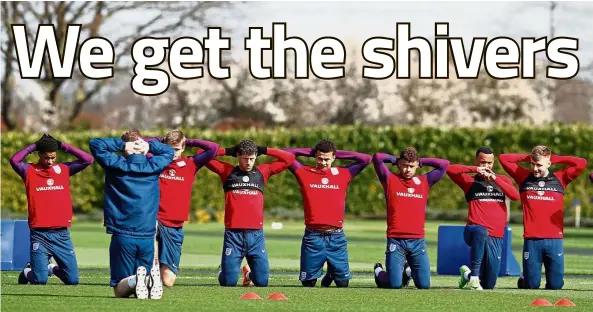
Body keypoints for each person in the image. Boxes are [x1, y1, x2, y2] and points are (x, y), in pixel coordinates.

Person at [89, 129, 174, 299]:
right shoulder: (153, 166)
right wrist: (149, 146)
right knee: (138, 291)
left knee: (119, 289)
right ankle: (147, 280)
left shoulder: (115, 164)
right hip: (147, 235)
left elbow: (95, 144)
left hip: (123, 234)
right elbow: (169, 151)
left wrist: (122, 145)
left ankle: (137, 280)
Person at [205, 139, 295, 287]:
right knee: (229, 283)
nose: (248, 162)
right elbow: (202, 154)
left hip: (256, 236)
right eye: (245, 158)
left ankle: (248, 274)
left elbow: (289, 158)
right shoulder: (227, 172)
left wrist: (264, 149)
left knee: (262, 282)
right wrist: (228, 150)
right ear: (238, 156)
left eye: (252, 158)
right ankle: (224, 271)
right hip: (233, 235)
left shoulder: (262, 172)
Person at [281, 140, 371, 288]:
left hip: (336, 237)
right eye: (319, 158)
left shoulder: (344, 173)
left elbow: (366, 159)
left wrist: (335, 153)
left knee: (343, 284)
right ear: (315, 157)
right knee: (308, 283)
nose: (323, 162)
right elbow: (286, 153)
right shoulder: (304, 172)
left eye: (327, 159)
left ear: (334, 158)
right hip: (313, 237)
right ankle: (330, 269)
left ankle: (332, 272)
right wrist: (311, 152)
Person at [499, 146, 587, 290]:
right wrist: (530, 157)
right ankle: (525, 278)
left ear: (549, 163)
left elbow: (581, 163)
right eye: (532, 164)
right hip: (532, 240)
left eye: (539, 165)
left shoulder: (560, 178)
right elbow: (504, 159)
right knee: (531, 285)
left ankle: (549, 278)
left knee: (555, 286)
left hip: (555, 240)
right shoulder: (523, 177)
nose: (534, 168)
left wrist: (557, 158)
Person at [11, 134, 94, 286]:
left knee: (72, 280)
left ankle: (51, 268)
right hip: (39, 235)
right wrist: (34, 145)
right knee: (39, 280)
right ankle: (27, 271)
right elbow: (14, 160)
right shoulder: (29, 170)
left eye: (53, 157)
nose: (50, 161)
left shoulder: (63, 169)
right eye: (46, 157)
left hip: (62, 235)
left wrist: (63, 145)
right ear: (39, 155)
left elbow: (88, 159)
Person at [144, 130, 219, 287]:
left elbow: (213, 148)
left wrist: (190, 141)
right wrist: (161, 139)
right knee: (152, 262)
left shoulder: (191, 164)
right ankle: (150, 270)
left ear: (183, 148)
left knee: (168, 281)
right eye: (169, 148)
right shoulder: (155, 161)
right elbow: (143, 142)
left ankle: (154, 273)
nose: (173, 152)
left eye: (177, 149)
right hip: (153, 219)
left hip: (175, 225)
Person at [371, 147, 449, 289]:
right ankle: (379, 272)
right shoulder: (390, 179)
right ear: (399, 165)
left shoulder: (424, 181)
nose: (408, 170)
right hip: (396, 240)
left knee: (424, 285)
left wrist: (421, 161)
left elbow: (444, 164)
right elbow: (377, 157)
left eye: (411, 166)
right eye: (404, 165)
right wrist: (395, 159)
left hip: (418, 242)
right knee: (395, 285)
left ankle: (407, 272)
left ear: (416, 166)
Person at [447, 146, 520, 290]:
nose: (486, 166)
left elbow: (515, 196)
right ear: (477, 161)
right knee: (481, 231)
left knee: (489, 284)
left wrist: (494, 178)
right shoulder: (469, 181)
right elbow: (450, 169)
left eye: (489, 163)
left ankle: (467, 275)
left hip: (496, 237)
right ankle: (474, 278)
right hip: (474, 231)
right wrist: (475, 169)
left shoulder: (502, 179)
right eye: (483, 162)